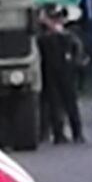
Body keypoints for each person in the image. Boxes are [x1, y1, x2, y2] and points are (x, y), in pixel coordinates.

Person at [36, 10, 86, 145]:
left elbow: (77, 51)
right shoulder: (43, 39)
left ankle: (77, 133)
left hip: (66, 73)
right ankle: (59, 133)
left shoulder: (68, 37)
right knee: (54, 105)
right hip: (51, 74)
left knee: (70, 104)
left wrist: (76, 64)